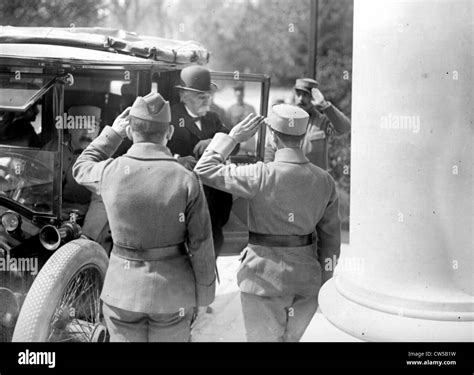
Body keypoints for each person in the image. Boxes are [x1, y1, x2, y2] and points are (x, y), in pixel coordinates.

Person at [73, 92, 216, 342]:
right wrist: (204, 296)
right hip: (172, 296)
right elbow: (201, 243)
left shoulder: (110, 171)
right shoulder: (186, 178)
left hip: (122, 294)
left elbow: (81, 165)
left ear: (130, 131)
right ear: (169, 132)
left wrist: (113, 134)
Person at [195, 105, 341, 342]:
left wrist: (232, 138)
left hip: (262, 279)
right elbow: (331, 241)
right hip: (306, 282)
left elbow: (204, 168)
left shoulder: (259, 174)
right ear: (302, 135)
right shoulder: (325, 180)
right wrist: (322, 283)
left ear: (273, 137)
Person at [168, 65, 236, 258]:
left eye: (208, 95)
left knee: (212, 247)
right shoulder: (170, 116)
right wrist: (177, 160)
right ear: (183, 95)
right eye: (201, 96)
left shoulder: (213, 118)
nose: (207, 100)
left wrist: (214, 141)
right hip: (181, 199)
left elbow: (234, 142)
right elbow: (152, 146)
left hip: (213, 202)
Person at [265, 78, 351, 170]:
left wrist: (325, 105)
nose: (301, 99)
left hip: (314, 181)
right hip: (287, 178)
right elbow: (270, 149)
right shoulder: (284, 119)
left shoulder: (322, 122)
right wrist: (269, 172)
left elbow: (344, 128)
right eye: (298, 94)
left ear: (313, 97)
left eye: (306, 95)